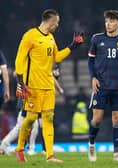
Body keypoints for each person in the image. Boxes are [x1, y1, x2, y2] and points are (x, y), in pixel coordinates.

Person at [15, 9, 84, 163]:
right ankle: (19, 148)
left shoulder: (51, 38)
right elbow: (19, 59)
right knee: (31, 118)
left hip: (48, 85)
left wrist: (72, 46)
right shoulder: (30, 36)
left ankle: (50, 155)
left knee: (48, 118)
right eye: (57, 22)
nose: (57, 25)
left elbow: (57, 57)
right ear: (51, 22)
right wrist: (21, 83)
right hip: (32, 86)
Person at [88, 10, 118, 162]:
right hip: (100, 87)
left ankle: (116, 154)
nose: (108, 24)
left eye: (112, 21)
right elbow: (90, 60)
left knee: (117, 119)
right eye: (107, 21)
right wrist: (93, 77)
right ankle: (91, 144)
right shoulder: (96, 39)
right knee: (97, 120)